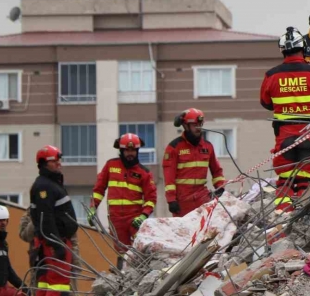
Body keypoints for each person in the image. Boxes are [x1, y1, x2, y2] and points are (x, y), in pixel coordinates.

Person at [260, 27, 310, 210]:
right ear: (303, 48)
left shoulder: (271, 75)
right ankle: (303, 215)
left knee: (285, 180)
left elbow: (266, 103)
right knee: (308, 177)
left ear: (282, 50)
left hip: (283, 136)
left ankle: (282, 217)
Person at [88, 133, 156, 265]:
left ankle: (143, 274)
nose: (130, 153)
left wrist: (143, 215)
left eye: (133, 150)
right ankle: (123, 277)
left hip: (135, 218)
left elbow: (151, 198)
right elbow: (99, 189)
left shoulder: (144, 173)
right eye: (127, 150)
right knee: (121, 251)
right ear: (121, 150)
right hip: (116, 218)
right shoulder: (110, 166)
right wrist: (92, 208)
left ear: (137, 151)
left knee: (141, 248)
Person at [30, 145, 78, 296]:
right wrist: (57, 246)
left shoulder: (50, 184)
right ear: (44, 163)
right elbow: (46, 219)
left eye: (59, 160)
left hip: (50, 242)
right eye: (54, 161)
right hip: (55, 243)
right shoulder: (44, 186)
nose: (59, 163)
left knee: (45, 283)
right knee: (59, 284)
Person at [163, 109, 226, 217]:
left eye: (200, 124)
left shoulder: (208, 146)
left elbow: (217, 171)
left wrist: (220, 187)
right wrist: (171, 199)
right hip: (183, 201)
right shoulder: (174, 147)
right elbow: (169, 177)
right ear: (186, 126)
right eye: (194, 125)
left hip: (202, 198)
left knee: (205, 232)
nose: (198, 128)